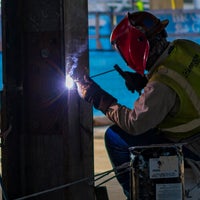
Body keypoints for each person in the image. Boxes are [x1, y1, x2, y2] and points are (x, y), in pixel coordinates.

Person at [73, 11, 200, 199]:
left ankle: (138, 194)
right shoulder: (185, 46)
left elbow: (134, 123)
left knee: (115, 137)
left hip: (193, 145)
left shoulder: (161, 85)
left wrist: (98, 97)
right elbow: (182, 77)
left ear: (135, 48)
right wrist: (144, 81)